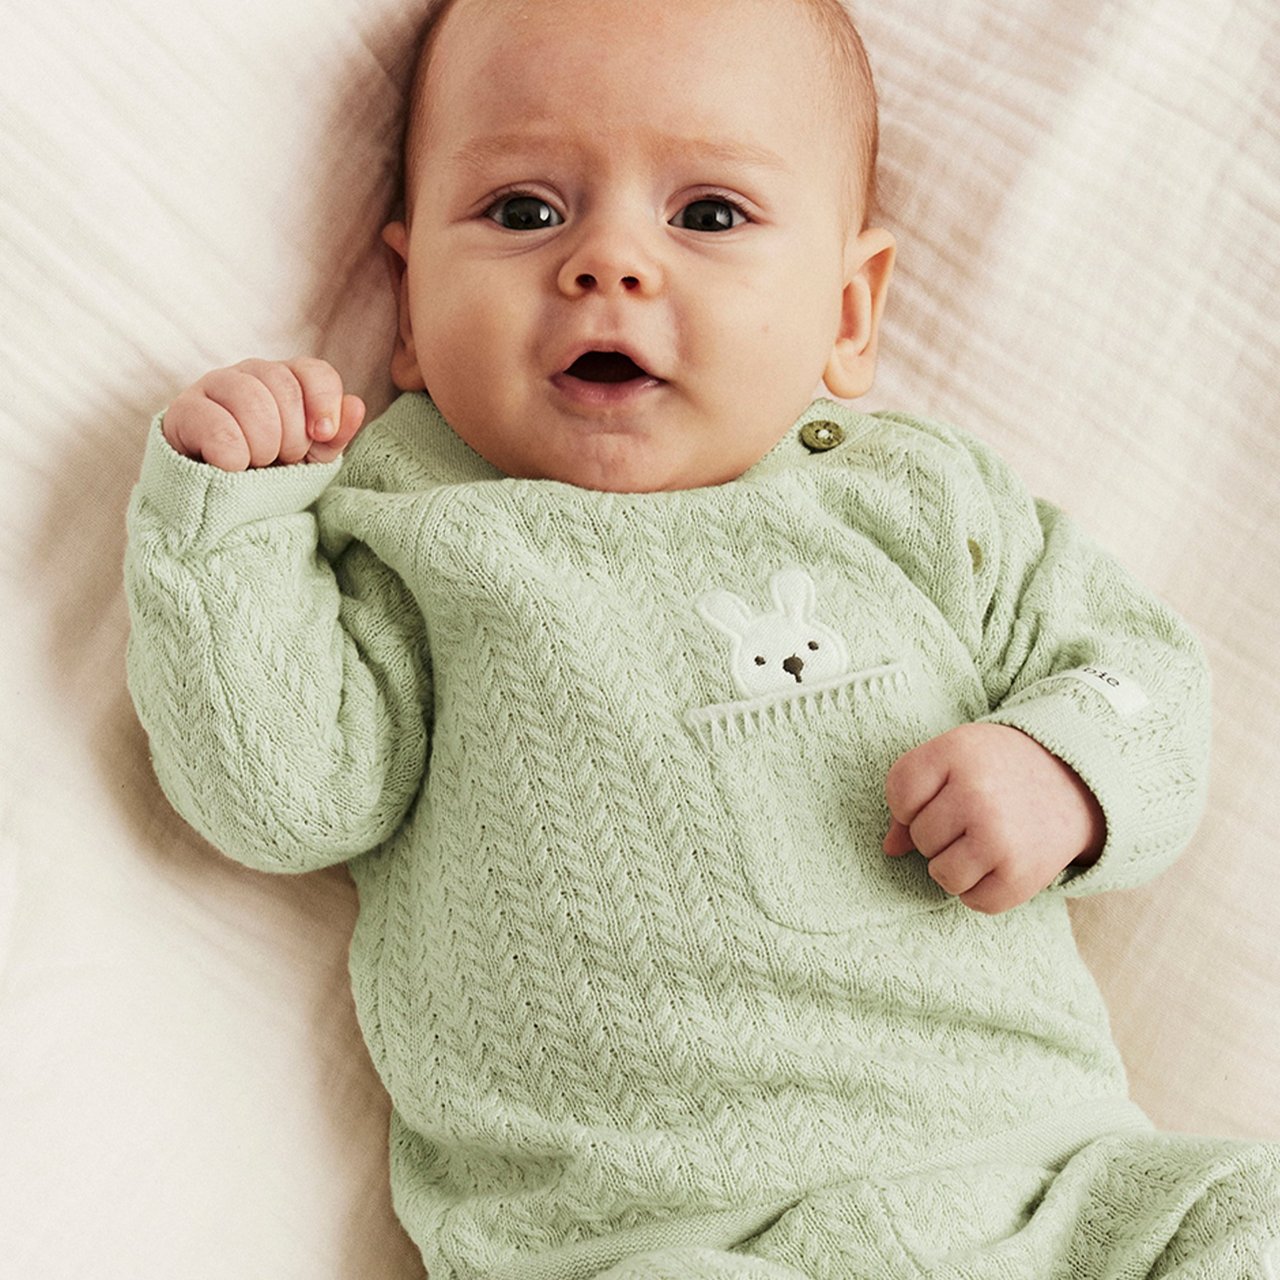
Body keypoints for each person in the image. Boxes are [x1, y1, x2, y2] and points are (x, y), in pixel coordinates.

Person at [122, 0, 1280, 1276]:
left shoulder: (920, 501)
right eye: (522, 210)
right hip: (653, 1238)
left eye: (708, 214)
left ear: (849, 312)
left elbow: (1148, 677)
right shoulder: (414, 533)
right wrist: (225, 525)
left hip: (1054, 1192)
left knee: (1242, 1210)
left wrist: (1065, 768)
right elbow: (284, 792)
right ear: (404, 304)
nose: (607, 262)